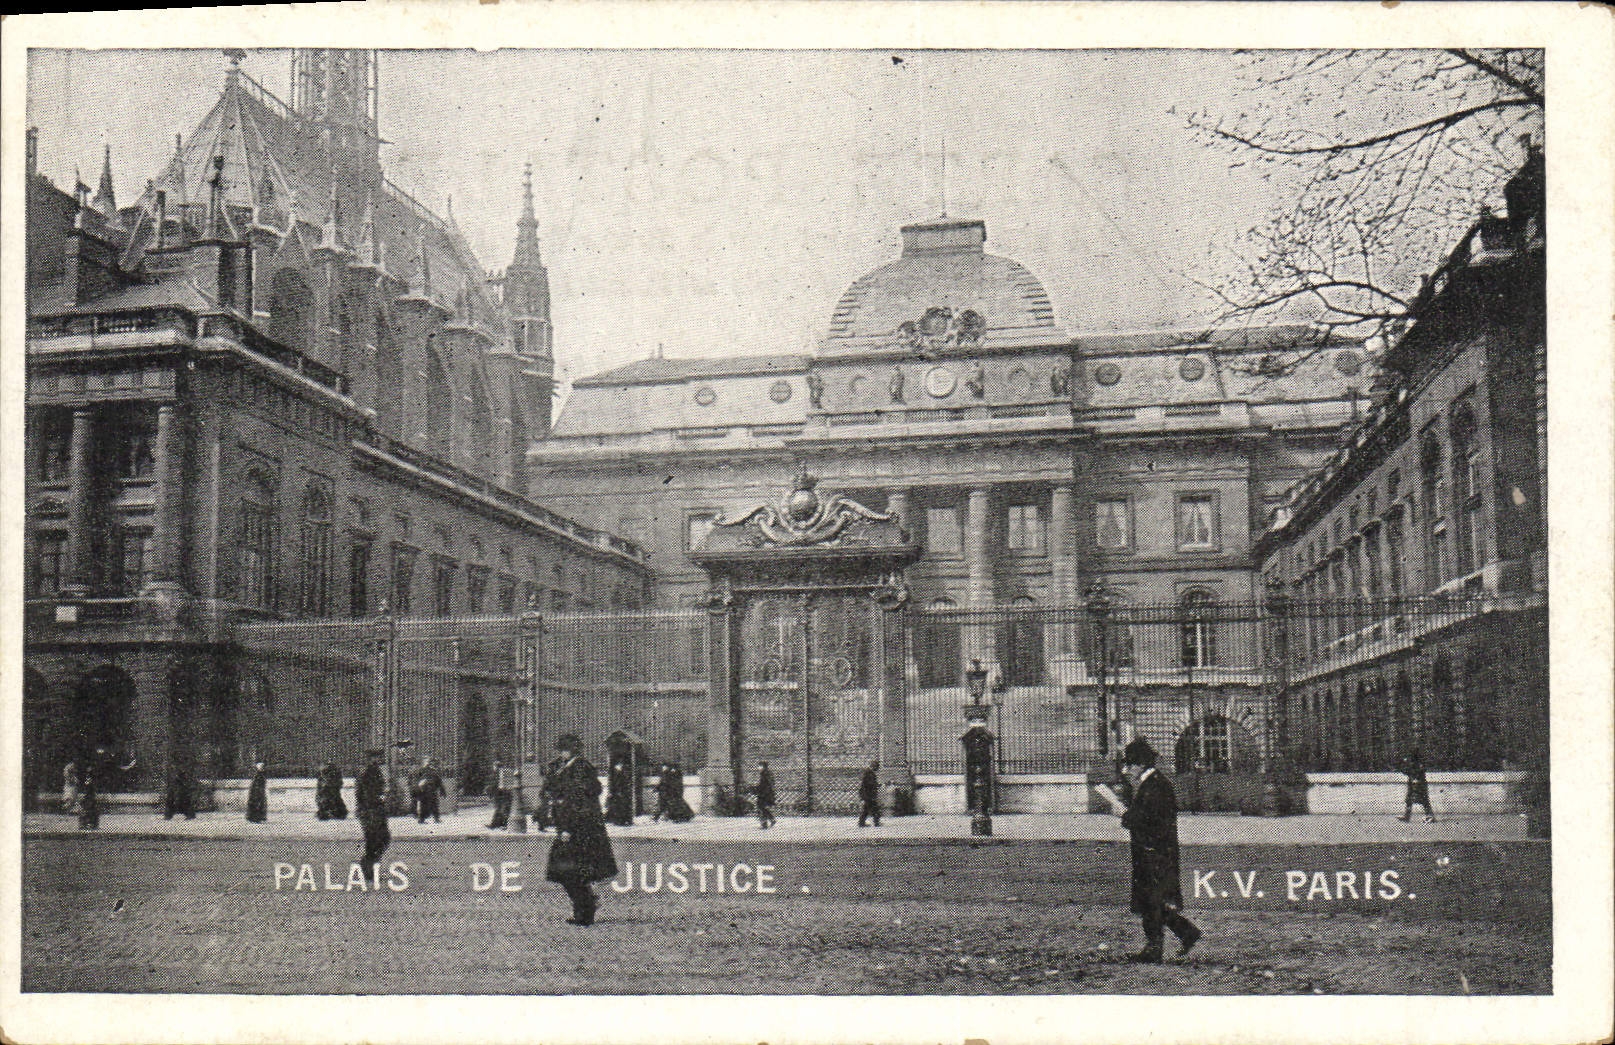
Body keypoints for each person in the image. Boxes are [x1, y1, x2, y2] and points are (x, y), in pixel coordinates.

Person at [1118, 737, 1201, 964]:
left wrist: (1125, 817)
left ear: (1141, 764)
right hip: (1153, 851)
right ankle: (1184, 934)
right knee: (1152, 901)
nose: (1126, 771)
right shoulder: (1153, 784)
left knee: (1152, 901)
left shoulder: (1155, 786)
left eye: (1130, 765)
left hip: (1154, 853)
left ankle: (1155, 947)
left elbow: (1148, 819)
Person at [544, 733, 619, 926]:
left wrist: (568, 827)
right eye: (561, 750)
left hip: (579, 828)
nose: (562, 753)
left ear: (573, 750)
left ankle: (584, 909)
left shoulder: (580, 768)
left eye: (565, 749)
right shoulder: (566, 767)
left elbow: (577, 800)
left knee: (569, 869)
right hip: (573, 826)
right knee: (570, 870)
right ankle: (585, 905)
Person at [356, 749, 391, 877]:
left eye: (379, 757)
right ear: (371, 759)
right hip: (372, 809)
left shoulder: (372, 771)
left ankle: (367, 867)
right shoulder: (371, 772)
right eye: (376, 757)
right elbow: (367, 792)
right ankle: (367, 868)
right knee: (379, 838)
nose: (379, 760)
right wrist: (380, 797)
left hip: (370, 809)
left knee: (377, 839)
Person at [1397, 748, 1436, 823]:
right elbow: (1408, 771)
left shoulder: (1417, 764)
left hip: (1418, 783)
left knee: (1423, 800)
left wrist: (1415, 778)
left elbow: (1416, 772)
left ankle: (1429, 816)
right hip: (1414, 783)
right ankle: (1407, 816)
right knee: (1410, 799)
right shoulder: (1415, 763)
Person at [413, 757, 447, 824]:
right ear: (423, 762)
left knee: (434, 805)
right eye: (426, 761)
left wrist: (442, 790)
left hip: (432, 790)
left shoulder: (433, 771)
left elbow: (438, 781)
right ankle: (421, 819)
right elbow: (416, 781)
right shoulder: (420, 771)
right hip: (424, 791)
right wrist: (418, 787)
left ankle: (436, 818)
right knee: (424, 805)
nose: (428, 763)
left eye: (428, 761)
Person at [606, 758, 634, 827]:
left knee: (622, 807)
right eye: (620, 765)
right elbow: (612, 783)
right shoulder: (614, 772)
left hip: (621, 792)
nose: (621, 766)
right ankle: (618, 821)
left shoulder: (622, 772)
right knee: (618, 807)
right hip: (617, 792)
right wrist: (612, 791)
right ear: (617, 765)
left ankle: (624, 820)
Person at [486, 759, 512, 829]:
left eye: (494, 766)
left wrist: (490, 792)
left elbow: (494, 784)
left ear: (495, 766)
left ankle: (498, 825)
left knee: (500, 809)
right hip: (505, 792)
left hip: (500, 793)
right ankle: (498, 824)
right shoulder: (504, 772)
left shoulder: (497, 773)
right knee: (502, 809)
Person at [858, 759, 882, 827]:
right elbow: (870, 784)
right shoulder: (869, 773)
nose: (877, 769)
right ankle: (875, 822)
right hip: (868, 794)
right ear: (874, 766)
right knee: (873, 809)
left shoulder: (869, 772)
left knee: (868, 809)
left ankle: (862, 823)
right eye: (877, 767)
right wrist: (877, 785)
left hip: (867, 794)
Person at [754, 761, 777, 829]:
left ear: (763, 767)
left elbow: (765, 784)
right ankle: (771, 819)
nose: (758, 767)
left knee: (761, 807)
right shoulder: (767, 773)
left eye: (760, 766)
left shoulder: (765, 774)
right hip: (767, 793)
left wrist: (758, 790)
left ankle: (765, 824)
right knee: (763, 807)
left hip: (765, 794)